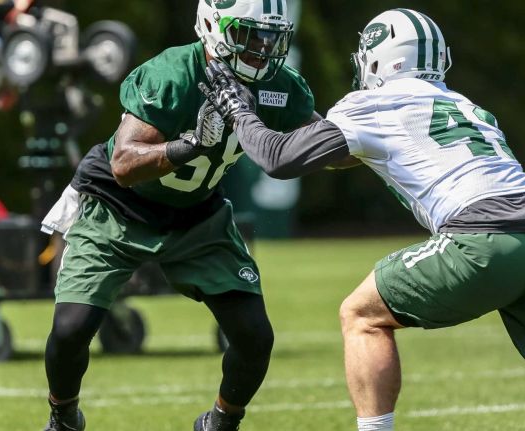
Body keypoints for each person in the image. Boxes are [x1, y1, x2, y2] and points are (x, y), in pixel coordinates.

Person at [201, 8, 525, 431]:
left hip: (484, 235)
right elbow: (351, 153)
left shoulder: (373, 103)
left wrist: (239, 109)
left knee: (361, 315)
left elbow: (279, 161)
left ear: (378, 60)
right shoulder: (466, 105)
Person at [38, 0, 317, 430]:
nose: (263, 46)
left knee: (254, 336)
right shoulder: (173, 72)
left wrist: (370, 135)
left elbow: (325, 144)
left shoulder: (279, 84)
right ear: (212, 25)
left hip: (196, 214)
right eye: (250, 33)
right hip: (117, 207)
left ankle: (220, 424)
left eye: (270, 35)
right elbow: (125, 166)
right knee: (71, 330)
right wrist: (189, 145)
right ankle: (64, 417)